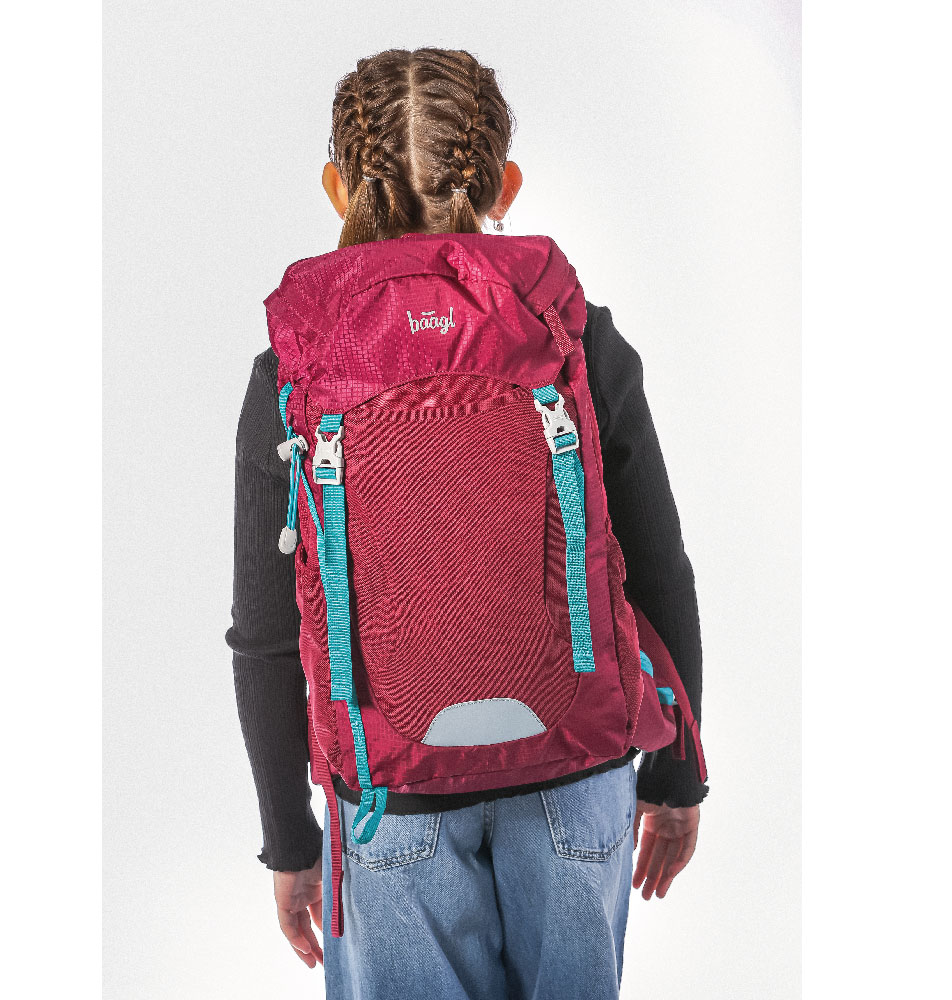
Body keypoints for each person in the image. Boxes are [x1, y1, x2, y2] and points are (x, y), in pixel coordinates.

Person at [225, 46, 708, 1000]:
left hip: (388, 793)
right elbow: (659, 567)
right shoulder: (575, 331)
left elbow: (267, 634)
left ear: (337, 188)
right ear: (503, 183)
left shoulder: (295, 363)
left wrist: (291, 839)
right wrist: (676, 775)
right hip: (579, 771)